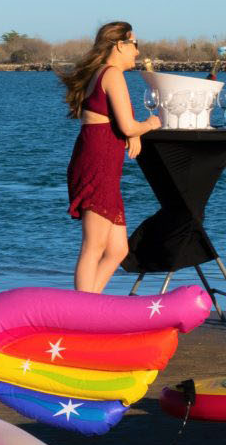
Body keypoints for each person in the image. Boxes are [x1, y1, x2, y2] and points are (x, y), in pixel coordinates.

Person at [63, 21, 159, 292]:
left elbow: (118, 122)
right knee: (93, 246)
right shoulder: (112, 73)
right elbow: (127, 124)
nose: (138, 53)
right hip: (98, 162)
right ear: (120, 44)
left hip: (100, 159)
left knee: (118, 249)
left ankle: (90, 303)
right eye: (135, 45)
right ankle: (81, 314)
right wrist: (150, 124)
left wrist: (133, 133)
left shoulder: (99, 73)